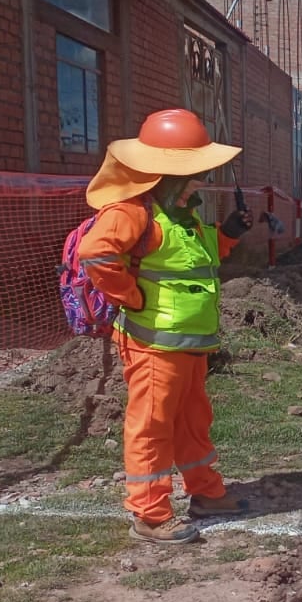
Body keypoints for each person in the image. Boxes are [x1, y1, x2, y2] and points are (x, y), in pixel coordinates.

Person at [77, 109, 254, 543]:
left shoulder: (181, 215)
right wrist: (129, 297)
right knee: (152, 425)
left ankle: (205, 493)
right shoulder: (132, 212)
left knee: (194, 420)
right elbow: (95, 253)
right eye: (195, 171)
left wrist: (229, 233)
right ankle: (150, 514)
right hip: (154, 345)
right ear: (169, 172)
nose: (202, 179)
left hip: (188, 345)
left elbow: (197, 259)